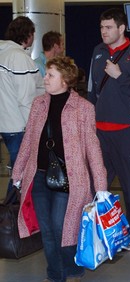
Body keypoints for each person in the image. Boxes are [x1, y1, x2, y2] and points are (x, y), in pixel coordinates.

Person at [12, 56, 107, 282]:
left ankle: (72, 270)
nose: (45, 78)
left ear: (65, 80)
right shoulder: (38, 104)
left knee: (61, 228)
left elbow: (93, 148)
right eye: (46, 74)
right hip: (39, 177)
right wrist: (17, 174)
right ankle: (55, 274)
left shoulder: (84, 108)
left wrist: (101, 187)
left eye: (50, 75)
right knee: (47, 231)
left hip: (70, 181)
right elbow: (28, 141)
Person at [88, 8, 130, 250]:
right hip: (100, 130)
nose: (104, 32)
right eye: (101, 27)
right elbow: (92, 91)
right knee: (98, 183)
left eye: (108, 27)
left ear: (121, 28)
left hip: (128, 130)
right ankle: (98, 231)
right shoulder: (98, 52)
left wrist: (120, 75)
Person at [0, 16, 43, 197]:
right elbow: (26, 99)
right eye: (33, 33)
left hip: (5, 124)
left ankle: (11, 215)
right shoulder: (18, 58)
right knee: (21, 176)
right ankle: (10, 216)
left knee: (18, 172)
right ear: (27, 35)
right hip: (19, 126)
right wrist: (33, 126)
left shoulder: (3, 53)